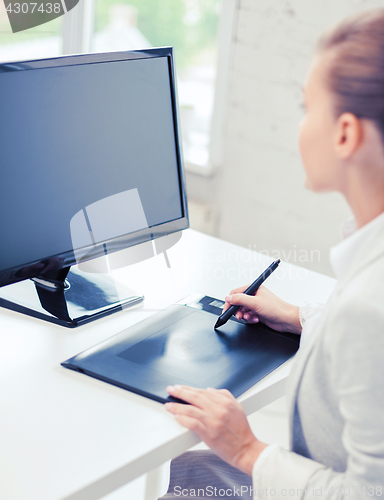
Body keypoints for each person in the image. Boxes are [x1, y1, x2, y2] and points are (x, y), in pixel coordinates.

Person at [159, 7, 384, 500]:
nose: (301, 127)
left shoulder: (370, 304)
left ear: (345, 133)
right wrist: (302, 316)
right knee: (188, 470)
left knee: (195, 475)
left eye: (308, 109)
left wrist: (245, 450)